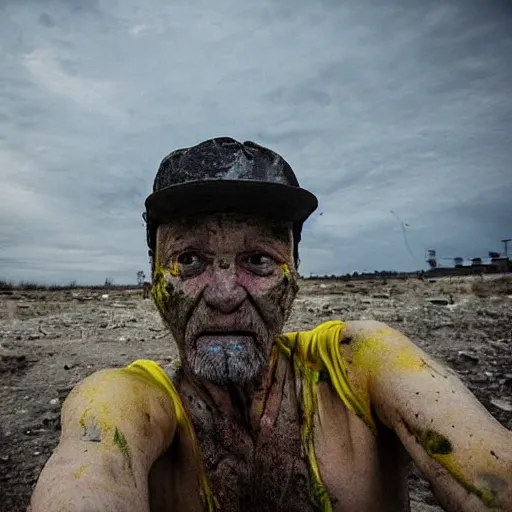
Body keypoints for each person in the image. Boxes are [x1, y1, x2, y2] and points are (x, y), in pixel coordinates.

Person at [30, 137, 512, 512]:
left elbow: (490, 474)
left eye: (258, 259)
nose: (223, 294)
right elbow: (93, 469)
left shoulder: (360, 365)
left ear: (294, 275)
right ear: (154, 280)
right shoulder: (126, 400)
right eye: (189, 259)